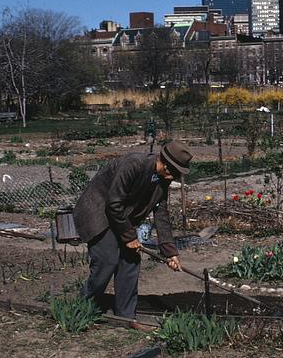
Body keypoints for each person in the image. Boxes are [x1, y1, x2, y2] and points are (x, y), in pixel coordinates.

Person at [73, 140, 193, 327]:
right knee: (107, 260)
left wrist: (170, 251)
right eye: (172, 172)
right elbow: (113, 202)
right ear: (164, 162)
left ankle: (126, 316)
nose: (172, 178)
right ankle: (81, 308)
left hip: (121, 217)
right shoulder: (133, 164)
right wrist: (129, 236)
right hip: (97, 212)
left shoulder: (163, 178)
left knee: (130, 262)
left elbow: (161, 212)